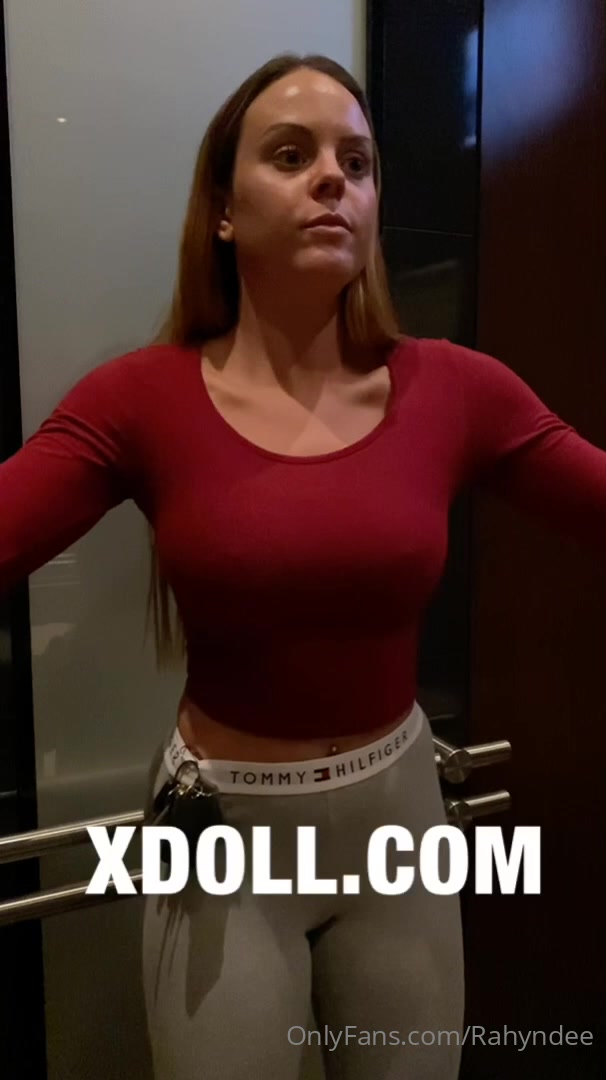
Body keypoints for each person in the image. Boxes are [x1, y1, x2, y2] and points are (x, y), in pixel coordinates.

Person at [1, 51, 605, 1080]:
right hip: (222, 834)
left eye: (357, 163)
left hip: (397, 820)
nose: (334, 178)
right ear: (222, 211)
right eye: (291, 155)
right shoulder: (136, 401)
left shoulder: (459, 390)